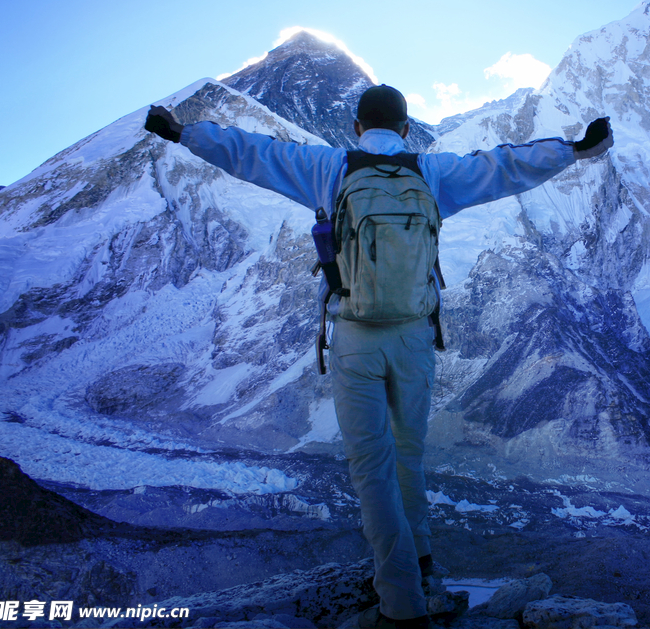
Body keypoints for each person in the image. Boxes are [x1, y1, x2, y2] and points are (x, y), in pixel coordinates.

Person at [145, 84, 613, 628]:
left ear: (357, 127)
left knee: (372, 468)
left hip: (356, 335)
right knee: (408, 458)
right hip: (415, 337)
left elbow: (253, 153)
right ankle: (423, 565)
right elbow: (503, 167)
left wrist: (183, 133)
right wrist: (575, 149)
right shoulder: (432, 173)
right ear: (407, 129)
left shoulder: (329, 168)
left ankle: (401, 606)